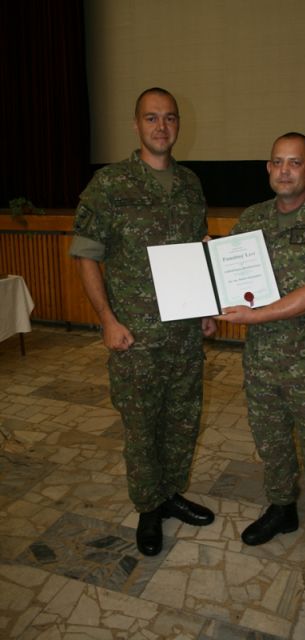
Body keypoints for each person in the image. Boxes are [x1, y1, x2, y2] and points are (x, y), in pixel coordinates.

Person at [70, 87, 215, 557]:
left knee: (182, 421)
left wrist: (206, 307)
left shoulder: (190, 184)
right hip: (135, 336)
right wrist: (106, 320)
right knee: (141, 427)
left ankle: (170, 494)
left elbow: (197, 249)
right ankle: (148, 508)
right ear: (136, 125)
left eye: (169, 117)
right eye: (151, 118)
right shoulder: (110, 184)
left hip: (184, 334)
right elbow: (87, 255)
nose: (161, 126)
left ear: (178, 124)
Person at [217, 132, 305, 575]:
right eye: (277, 162)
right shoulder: (252, 218)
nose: (284, 171)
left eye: (295, 163)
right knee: (271, 443)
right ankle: (282, 509)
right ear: (268, 168)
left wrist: (255, 316)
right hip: (260, 361)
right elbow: (226, 271)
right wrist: (206, 282)